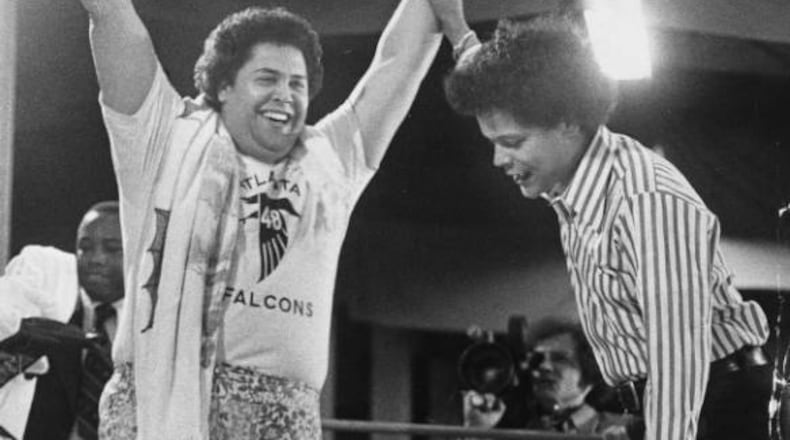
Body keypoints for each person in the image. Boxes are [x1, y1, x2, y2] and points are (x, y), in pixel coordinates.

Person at [73, 0, 466, 438]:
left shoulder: (331, 158)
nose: (286, 95)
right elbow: (113, 19)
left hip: (282, 417)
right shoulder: (163, 137)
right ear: (224, 86)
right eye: (267, 79)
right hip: (151, 408)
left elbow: (400, 58)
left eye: (298, 84)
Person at [435, 12, 772, 440]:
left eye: (512, 143)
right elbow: (489, 70)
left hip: (719, 407)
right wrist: (458, 33)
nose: (499, 161)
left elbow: (678, 359)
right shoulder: (576, 173)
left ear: (567, 124)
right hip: (664, 403)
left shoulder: (645, 200)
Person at [0, 201, 124, 440]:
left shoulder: (154, 324)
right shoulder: (44, 288)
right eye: (85, 247)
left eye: (112, 248)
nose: (96, 258)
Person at [463, 318, 637, 439]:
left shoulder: (624, 429)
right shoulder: (510, 429)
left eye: (560, 359)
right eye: (538, 359)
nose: (544, 367)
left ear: (590, 369)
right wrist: (476, 431)